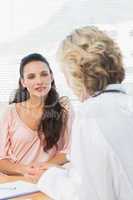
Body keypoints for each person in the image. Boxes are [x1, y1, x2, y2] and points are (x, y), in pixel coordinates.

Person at [38, 26, 133, 200]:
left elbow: (86, 195)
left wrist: (48, 178)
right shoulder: (126, 105)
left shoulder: (91, 115)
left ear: (76, 74)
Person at [0, 53, 72, 179]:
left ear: (51, 77)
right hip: (17, 182)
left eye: (44, 74)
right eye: (31, 77)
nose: (39, 81)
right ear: (23, 82)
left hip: (50, 179)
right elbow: (1, 159)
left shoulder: (64, 110)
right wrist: (25, 170)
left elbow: (68, 151)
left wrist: (44, 166)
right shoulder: (10, 112)